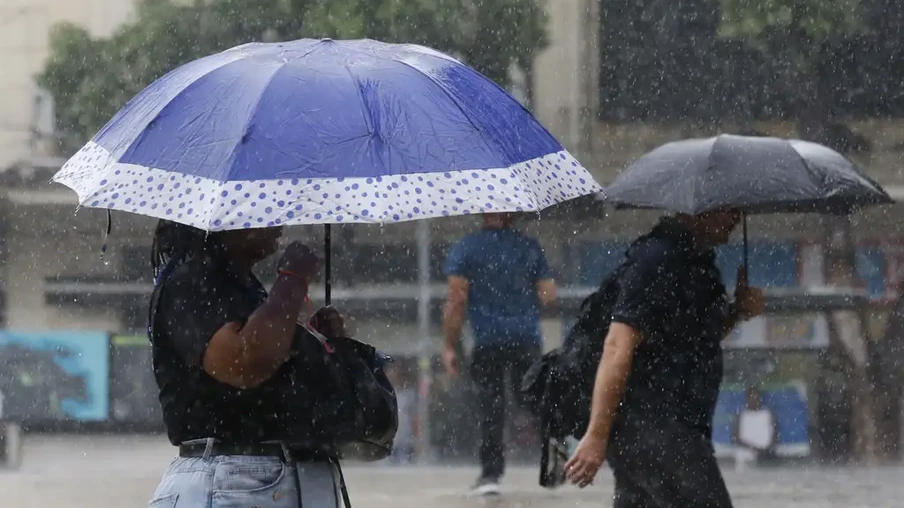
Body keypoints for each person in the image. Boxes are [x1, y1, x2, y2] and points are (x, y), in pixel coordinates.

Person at [564, 212, 765, 508]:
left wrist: (737, 312)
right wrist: (596, 435)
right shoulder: (657, 260)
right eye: (727, 207)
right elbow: (617, 345)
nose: (737, 216)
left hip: (674, 426)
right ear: (698, 209)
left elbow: (692, 342)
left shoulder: (697, 264)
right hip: (657, 429)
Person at [146, 220, 349, 508]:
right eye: (264, 210)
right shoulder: (191, 282)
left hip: (260, 481)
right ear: (225, 222)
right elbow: (245, 361)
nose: (278, 221)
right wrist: (292, 279)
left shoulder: (239, 284)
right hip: (236, 482)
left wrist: (312, 341)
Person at [442, 212, 556, 496]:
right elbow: (548, 295)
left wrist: (449, 345)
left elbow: (456, 301)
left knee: (491, 408)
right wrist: (519, 295)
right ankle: (556, 454)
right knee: (531, 399)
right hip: (525, 338)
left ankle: (491, 473)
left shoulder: (466, 249)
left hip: (488, 341)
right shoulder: (529, 247)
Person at [733, 386, 777, 471]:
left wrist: (766, 449)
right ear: (746, 399)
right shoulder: (741, 415)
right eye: (751, 397)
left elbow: (774, 436)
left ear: (759, 398)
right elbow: (736, 437)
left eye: (756, 397)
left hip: (765, 452)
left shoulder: (767, 414)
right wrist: (752, 448)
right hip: (746, 451)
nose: (754, 400)